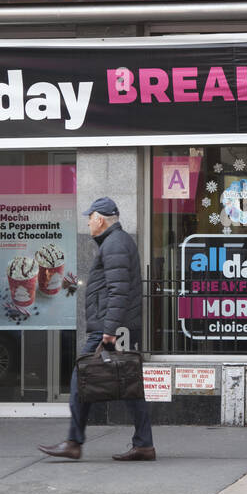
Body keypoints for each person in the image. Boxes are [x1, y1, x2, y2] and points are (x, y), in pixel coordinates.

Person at [38, 197, 155, 462]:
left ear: (100, 219)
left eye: (89, 218)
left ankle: (74, 442)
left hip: (107, 327)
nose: (88, 222)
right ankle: (144, 444)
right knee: (129, 385)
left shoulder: (114, 244)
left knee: (82, 380)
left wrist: (110, 329)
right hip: (111, 325)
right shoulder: (115, 242)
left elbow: (118, 290)